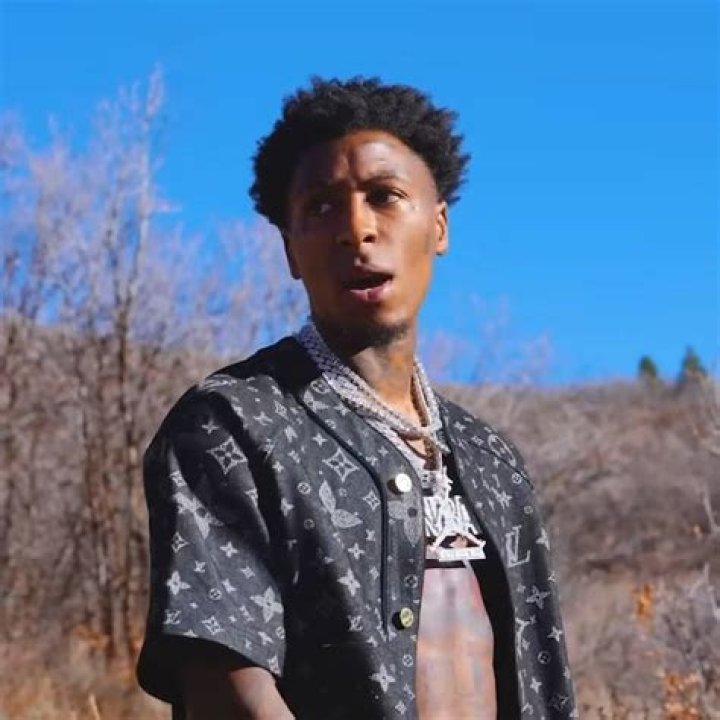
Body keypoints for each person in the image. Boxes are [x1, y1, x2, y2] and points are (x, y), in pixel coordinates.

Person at [137, 76, 576, 719]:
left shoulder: (493, 462)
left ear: (439, 225)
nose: (356, 229)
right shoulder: (234, 425)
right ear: (290, 249)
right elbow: (225, 686)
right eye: (321, 207)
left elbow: (544, 681)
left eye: (385, 196)